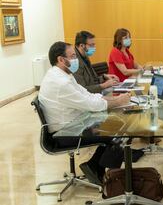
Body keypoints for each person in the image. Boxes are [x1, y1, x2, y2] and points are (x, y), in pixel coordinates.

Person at [39, 41, 142, 185]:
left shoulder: (63, 75)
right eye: (72, 56)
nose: (76, 60)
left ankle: (95, 167)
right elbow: (91, 104)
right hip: (65, 132)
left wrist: (114, 99)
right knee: (118, 130)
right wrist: (118, 102)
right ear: (61, 60)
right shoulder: (61, 83)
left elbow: (87, 94)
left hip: (72, 122)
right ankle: (111, 179)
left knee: (115, 126)